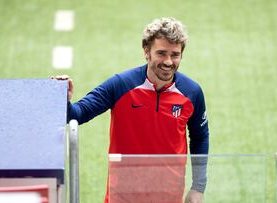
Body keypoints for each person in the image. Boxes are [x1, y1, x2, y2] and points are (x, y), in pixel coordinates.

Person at [53, 17, 209, 203]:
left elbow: (200, 137)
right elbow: (77, 115)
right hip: (124, 194)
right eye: (161, 53)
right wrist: (62, 99)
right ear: (146, 52)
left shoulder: (192, 92)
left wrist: (198, 187)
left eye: (175, 54)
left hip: (169, 194)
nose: (168, 62)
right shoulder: (121, 85)